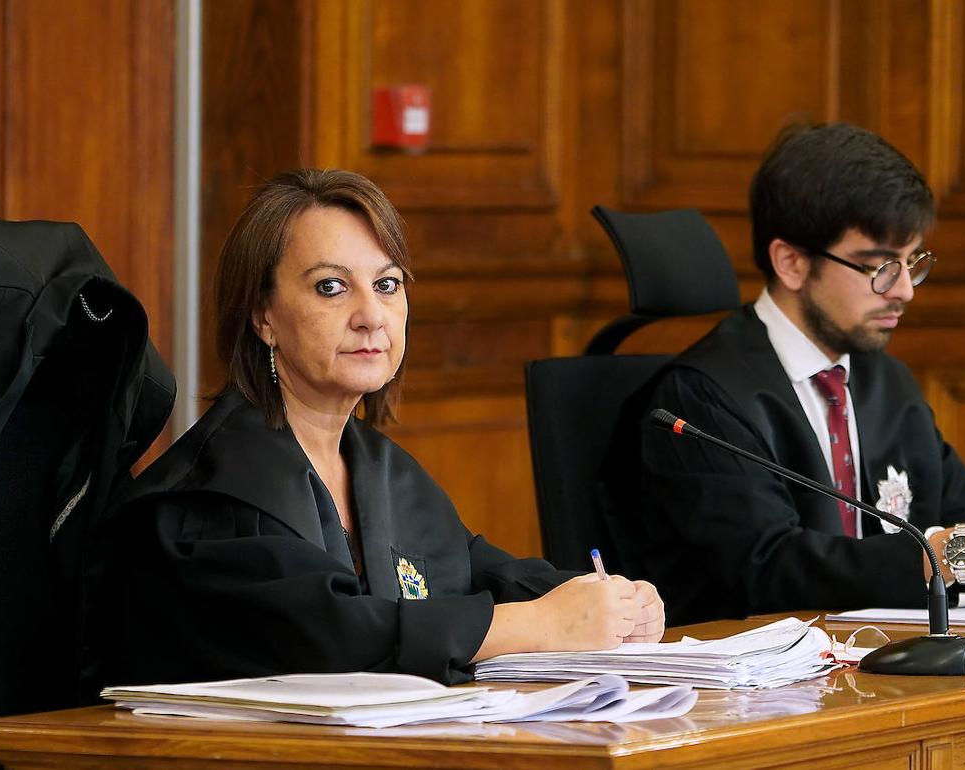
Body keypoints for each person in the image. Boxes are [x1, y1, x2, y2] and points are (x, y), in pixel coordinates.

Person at [102, 169, 664, 686]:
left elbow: (476, 572)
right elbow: (334, 638)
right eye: (331, 286)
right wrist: (542, 625)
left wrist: (603, 600)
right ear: (263, 317)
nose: (372, 314)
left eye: (388, 284)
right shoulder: (210, 498)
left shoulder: (381, 468)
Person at [611, 122, 965, 625]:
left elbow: (964, 515)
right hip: (747, 693)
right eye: (880, 266)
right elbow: (770, 569)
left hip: (873, 665)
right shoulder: (700, 399)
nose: (902, 289)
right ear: (792, 262)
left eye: (914, 262)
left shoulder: (884, 382)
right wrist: (958, 554)